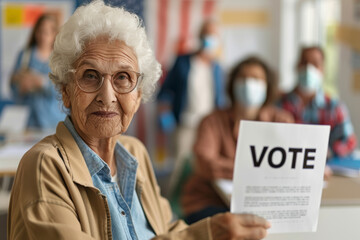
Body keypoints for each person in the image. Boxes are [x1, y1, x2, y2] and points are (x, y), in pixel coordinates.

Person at [7, 1, 270, 239]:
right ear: (65, 91)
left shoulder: (135, 154)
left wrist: (222, 229)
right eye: (90, 76)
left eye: (122, 77)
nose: (107, 96)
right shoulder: (45, 165)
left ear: (138, 94)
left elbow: (166, 228)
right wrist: (204, 235)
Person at [181, 56, 294, 224]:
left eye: (256, 79)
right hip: (210, 203)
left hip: (263, 204)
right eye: (243, 78)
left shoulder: (281, 121)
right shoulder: (212, 121)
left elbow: (294, 163)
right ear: (233, 84)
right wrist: (262, 172)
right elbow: (205, 164)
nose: (249, 84)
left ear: (267, 86)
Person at [157, 19, 226, 196]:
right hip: (185, 124)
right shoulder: (183, 62)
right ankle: (172, 204)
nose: (209, 39)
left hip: (209, 127)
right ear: (200, 37)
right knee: (179, 166)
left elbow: (221, 99)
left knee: (204, 167)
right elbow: (165, 91)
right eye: (206, 35)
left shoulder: (217, 67)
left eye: (213, 35)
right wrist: (165, 114)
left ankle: (197, 200)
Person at [278, 46, 357, 158]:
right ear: (297, 66)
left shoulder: (334, 107)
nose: (308, 68)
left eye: (315, 64)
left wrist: (326, 153)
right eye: (304, 62)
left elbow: (349, 142)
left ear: (322, 70)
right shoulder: (279, 103)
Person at [10, 14, 66, 130]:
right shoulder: (25, 55)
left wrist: (42, 83)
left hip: (53, 121)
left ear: (54, 34)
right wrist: (21, 85)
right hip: (27, 121)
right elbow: (13, 86)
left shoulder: (60, 58)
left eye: (46, 32)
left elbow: (65, 90)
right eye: (40, 31)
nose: (42, 36)